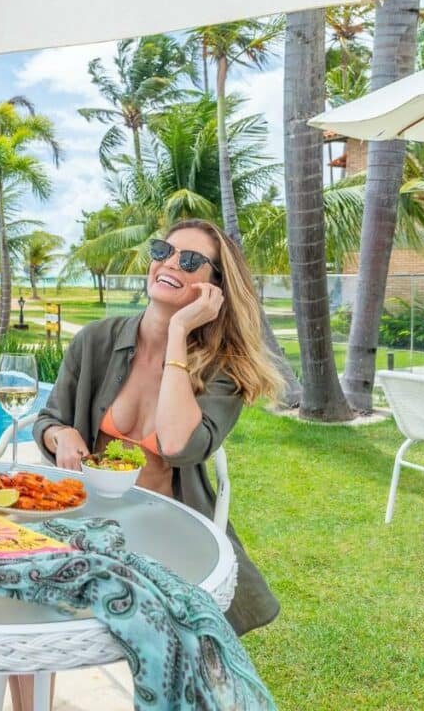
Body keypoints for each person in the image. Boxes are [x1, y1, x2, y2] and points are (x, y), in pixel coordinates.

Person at [33, 219, 282, 636]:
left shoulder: (226, 371)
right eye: (163, 251)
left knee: (158, 646)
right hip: (83, 523)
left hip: (169, 538)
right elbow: (48, 420)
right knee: (22, 599)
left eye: (190, 260)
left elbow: (178, 445)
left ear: (215, 287)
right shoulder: (95, 340)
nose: (170, 264)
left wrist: (179, 333)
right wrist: (62, 435)